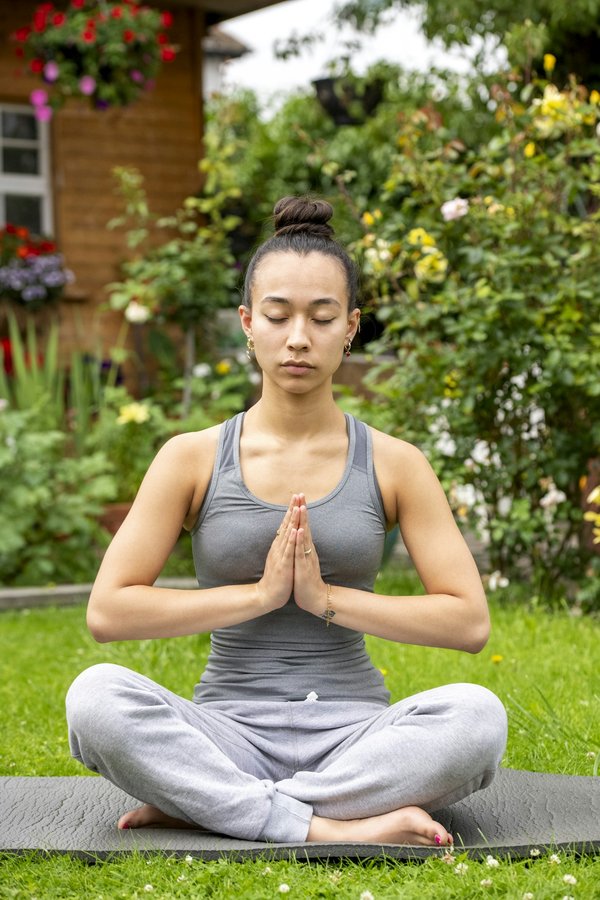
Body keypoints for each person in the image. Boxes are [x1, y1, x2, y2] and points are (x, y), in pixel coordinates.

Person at [66, 196, 507, 847]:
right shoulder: (190, 458)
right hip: (226, 735)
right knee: (94, 699)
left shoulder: (395, 463)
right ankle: (330, 826)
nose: (298, 337)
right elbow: (109, 613)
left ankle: (216, 807)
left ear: (351, 326)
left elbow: (469, 623)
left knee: (478, 717)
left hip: (357, 741)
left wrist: (325, 600)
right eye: (277, 315)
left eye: (322, 317)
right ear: (248, 323)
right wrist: (261, 596)